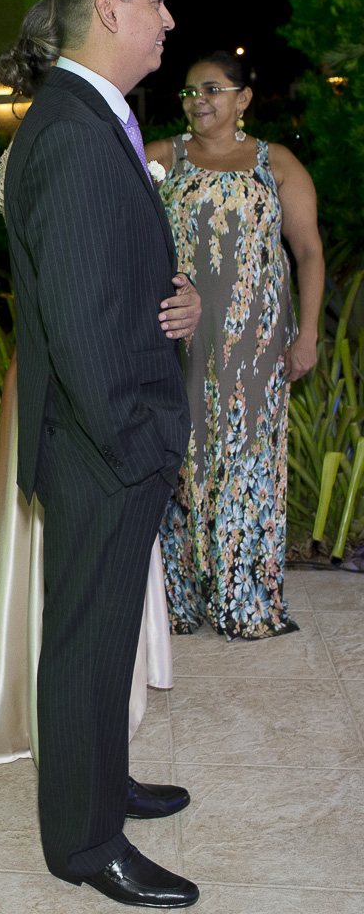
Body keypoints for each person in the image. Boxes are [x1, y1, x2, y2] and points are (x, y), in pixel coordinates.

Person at [3, 0, 201, 907]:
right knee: (85, 644)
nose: (169, 18)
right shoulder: (75, 133)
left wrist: (179, 296)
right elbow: (79, 322)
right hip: (102, 444)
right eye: (157, 1)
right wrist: (137, 446)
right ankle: (84, 846)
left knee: (103, 635)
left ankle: (100, 784)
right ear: (111, 10)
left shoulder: (91, 116)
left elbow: (109, 274)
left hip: (105, 437)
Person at [147, 52, 325, 639]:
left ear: (243, 98)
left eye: (212, 88)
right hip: (179, 340)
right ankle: (179, 599)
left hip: (257, 345)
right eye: (189, 91)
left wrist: (307, 334)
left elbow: (308, 252)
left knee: (247, 459)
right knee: (182, 455)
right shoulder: (163, 157)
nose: (198, 99)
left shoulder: (277, 164)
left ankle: (246, 601)